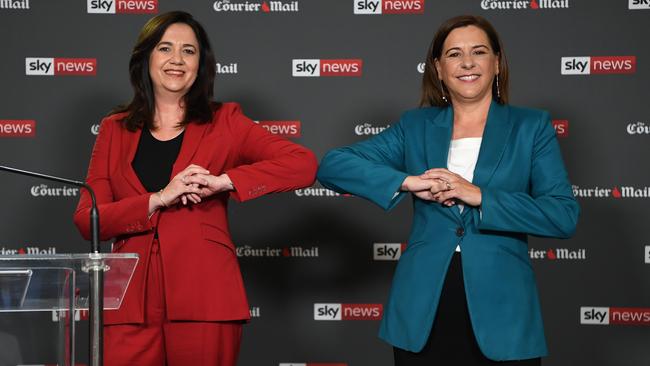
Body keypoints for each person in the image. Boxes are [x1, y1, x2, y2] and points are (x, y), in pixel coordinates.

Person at [317, 15, 579, 365]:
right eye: (454, 54)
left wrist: (480, 195)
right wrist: (408, 182)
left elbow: (562, 215)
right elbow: (333, 165)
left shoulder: (531, 127)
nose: (467, 63)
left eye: (479, 51)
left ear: (497, 62)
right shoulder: (416, 125)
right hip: (423, 308)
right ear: (439, 68)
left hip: (503, 310)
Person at [73, 11, 317, 366]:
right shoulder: (114, 129)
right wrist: (157, 199)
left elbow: (302, 164)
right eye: (165, 48)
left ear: (201, 64)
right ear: (146, 58)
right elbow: (87, 219)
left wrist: (224, 181)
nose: (176, 60)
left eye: (189, 51)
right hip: (128, 302)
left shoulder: (226, 121)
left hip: (205, 294)